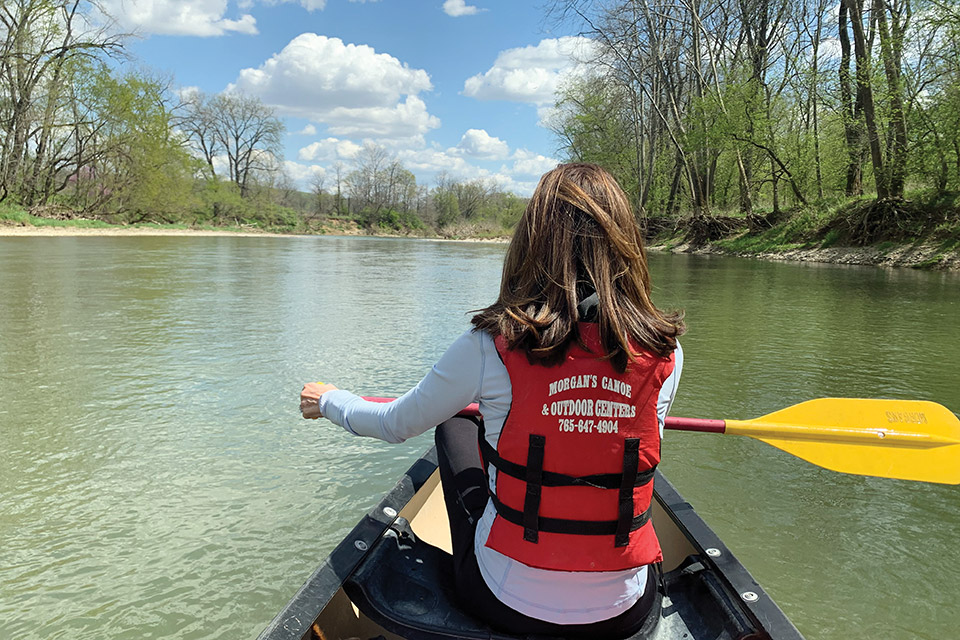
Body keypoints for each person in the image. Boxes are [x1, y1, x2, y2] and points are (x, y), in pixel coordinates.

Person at [300, 163, 685, 639]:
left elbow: (395, 424)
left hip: (508, 601)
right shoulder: (666, 351)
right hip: (624, 609)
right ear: (627, 245)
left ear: (532, 243)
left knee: (456, 423)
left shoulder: (490, 345)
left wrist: (331, 400)